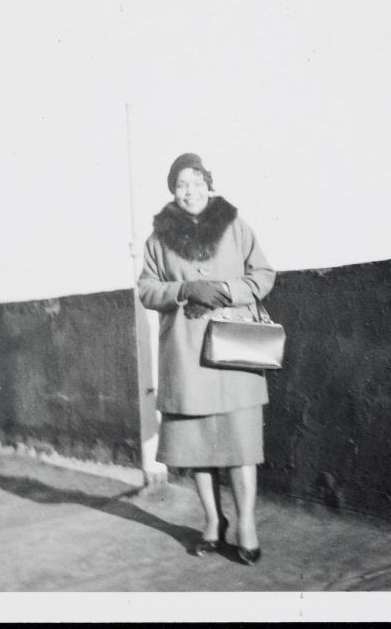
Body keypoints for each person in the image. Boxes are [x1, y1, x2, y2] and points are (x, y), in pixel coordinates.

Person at [137, 153, 276, 565]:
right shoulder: (157, 240)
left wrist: (229, 290)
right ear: (173, 191)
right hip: (186, 355)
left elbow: (264, 275)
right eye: (181, 184)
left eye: (196, 182)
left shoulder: (236, 227)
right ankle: (214, 522)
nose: (190, 190)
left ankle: (246, 524)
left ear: (208, 184)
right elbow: (146, 289)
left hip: (234, 350)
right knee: (198, 447)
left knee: (240, 445)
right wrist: (183, 291)